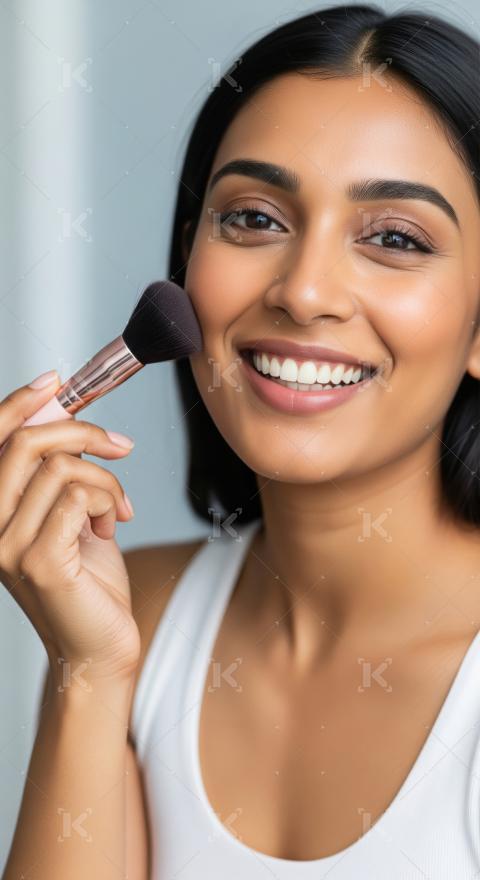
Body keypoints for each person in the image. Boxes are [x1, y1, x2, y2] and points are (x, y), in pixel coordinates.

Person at [2, 4, 480, 878]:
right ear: (188, 269)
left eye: (395, 238)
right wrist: (88, 670)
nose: (304, 291)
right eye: (255, 219)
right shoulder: (132, 621)